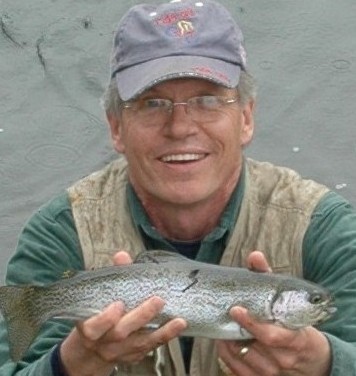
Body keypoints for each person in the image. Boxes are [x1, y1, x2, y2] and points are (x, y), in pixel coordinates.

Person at [0, 0, 355, 375]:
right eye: (153, 103)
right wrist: (68, 365)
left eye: (207, 101)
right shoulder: (59, 233)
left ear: (246, 118)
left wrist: (326, 363)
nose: (180, 127)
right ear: (116, 127)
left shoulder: (322, 226)